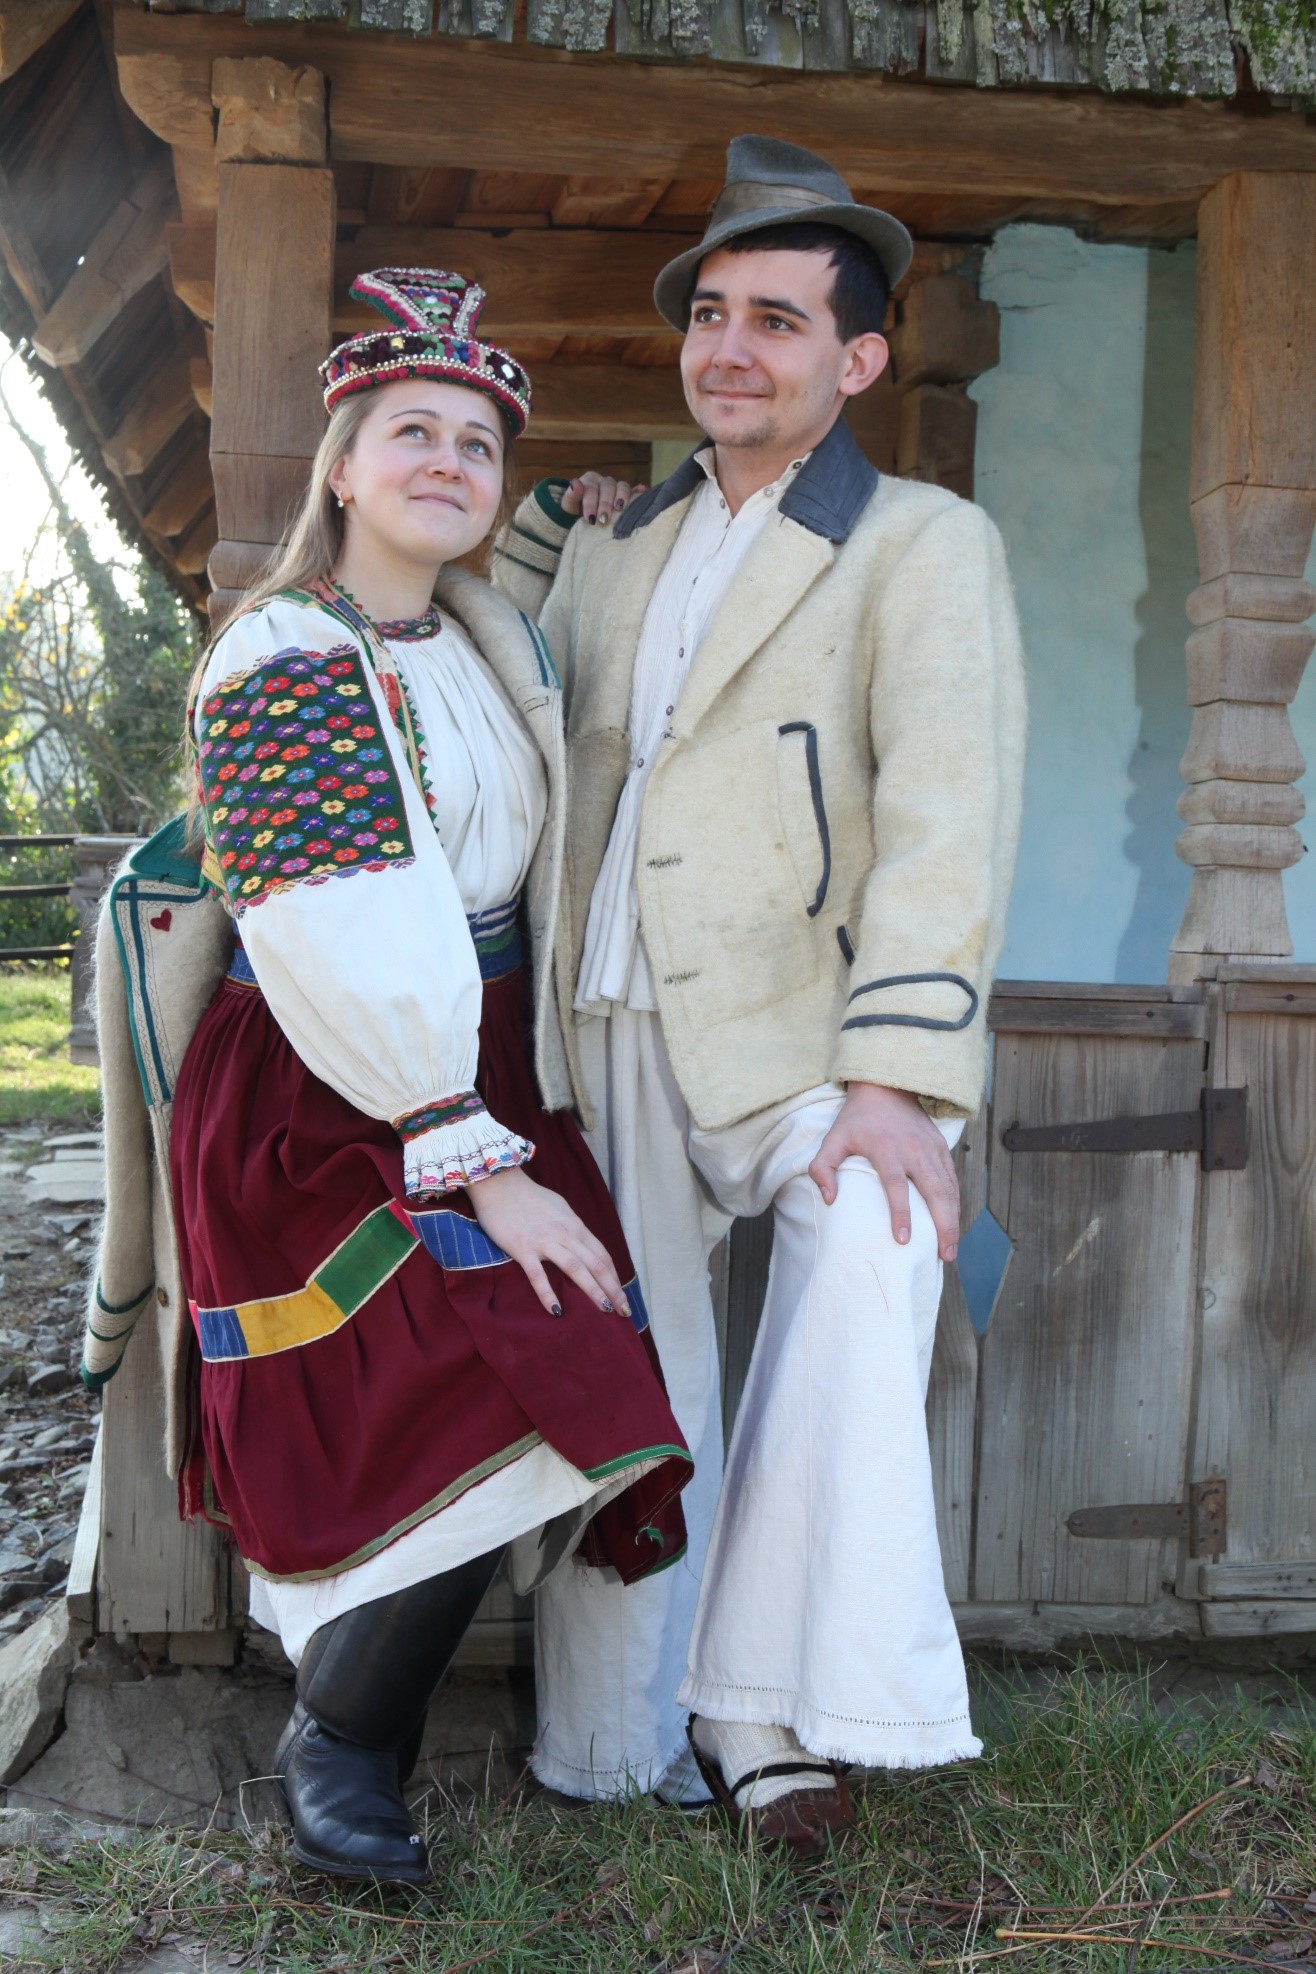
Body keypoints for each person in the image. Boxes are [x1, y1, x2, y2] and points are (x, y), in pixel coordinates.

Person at [84, 267, 690, 1887]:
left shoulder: (487, 642)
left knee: (568, 1356)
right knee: (489, 1351)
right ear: (342, 467)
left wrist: (567, 519)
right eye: (412, 431)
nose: (448, 461)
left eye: (479, 445)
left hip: (475, 1065)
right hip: (324, 1079)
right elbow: (338, 918)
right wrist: (462, 1140)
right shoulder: (282, 654)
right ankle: (344, 1737)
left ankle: (350, 1721)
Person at [494, 137, 1026, 1854]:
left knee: (880, 1249)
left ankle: (766, 1702)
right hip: (602, 1019)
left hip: (807, 1026)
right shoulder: (620, 539)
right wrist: (545, 527)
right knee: (633, 1370)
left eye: (777, 321)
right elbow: (493, 676)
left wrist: (899, 1076)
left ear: (857, 359)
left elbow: (950, 813)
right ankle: (614, 1730)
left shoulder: (924, 542)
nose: (730, 348)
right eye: (711, 314)